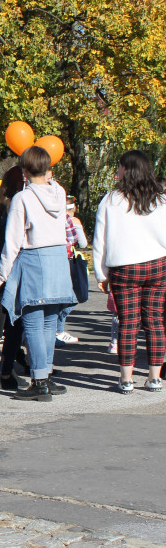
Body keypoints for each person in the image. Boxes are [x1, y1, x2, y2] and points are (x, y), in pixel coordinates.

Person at [0, 146, 76, 401]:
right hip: (59, 260)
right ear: (49, 169)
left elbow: (13, 242)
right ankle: (45, 375)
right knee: (49, 324)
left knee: (34, 324)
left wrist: (0, 277)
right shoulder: (59, 194)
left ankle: (39, 382)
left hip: (34, 261)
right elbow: (54, 184)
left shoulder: (22, 199)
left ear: (24, 171)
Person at [92, 149, 166, 394]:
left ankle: (126, 378)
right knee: (155, 322)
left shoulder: (112, 200)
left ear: (127, 169)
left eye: (120, 166)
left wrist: (101, 273)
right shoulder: (160, 199)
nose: (118, 170)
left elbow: (100, 239)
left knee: (128, 323)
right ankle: (154, 377)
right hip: (157, 264)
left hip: (124, 268)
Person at [0, 167, 27, 389]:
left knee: (14, 321)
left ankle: (11, 363)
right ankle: (6, 370)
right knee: (16, 322)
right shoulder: (15, 208)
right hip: (12, 268)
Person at [55, 196, 88, 344]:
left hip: (52, 259)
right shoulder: (72, 221)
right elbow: (82, 243)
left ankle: (57, 330)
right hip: (67, 261)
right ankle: (58, 330)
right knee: (73, 297)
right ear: (73, 208)